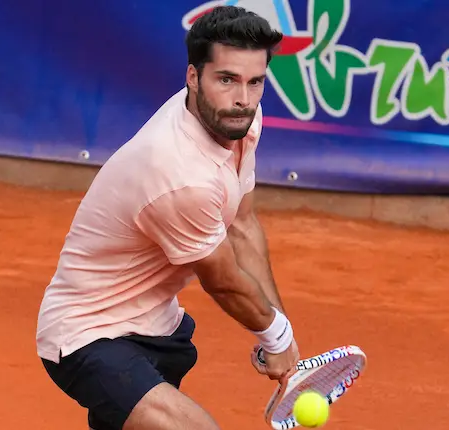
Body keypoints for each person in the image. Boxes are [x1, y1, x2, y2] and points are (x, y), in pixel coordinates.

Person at [35, 6, 299, 430]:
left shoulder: (240, 120)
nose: (243, 99)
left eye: (255, 82)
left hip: (158, 327)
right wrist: (276, 336)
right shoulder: (180, 175)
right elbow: (222, 278)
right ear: (193, 77)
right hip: (89, 335)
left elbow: (243, 227)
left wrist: (281, 332)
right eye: (226, 79)